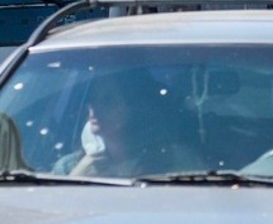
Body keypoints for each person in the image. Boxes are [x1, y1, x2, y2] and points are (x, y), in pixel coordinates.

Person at [53, 73, 202, 177]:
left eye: (108, 100)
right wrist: (76, 179)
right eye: (91, 100)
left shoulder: (176, 160)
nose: (95, 109)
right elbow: (48, 215)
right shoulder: (67, 168)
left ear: (132, 106)